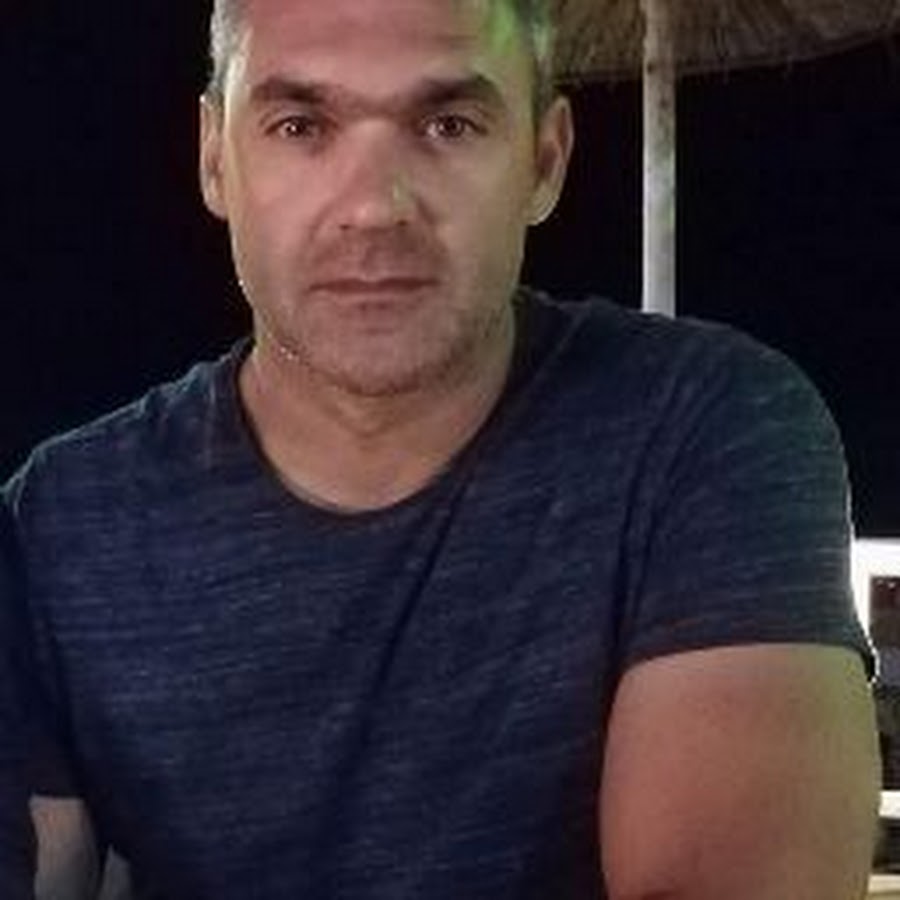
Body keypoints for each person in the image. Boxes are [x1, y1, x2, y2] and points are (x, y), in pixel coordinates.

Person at [0, 0, 880, 897]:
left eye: (449, 124)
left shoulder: (701, 430)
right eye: (301, 126)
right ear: (214, 159)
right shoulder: (67, 521)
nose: (375, 209)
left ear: (545, 161)